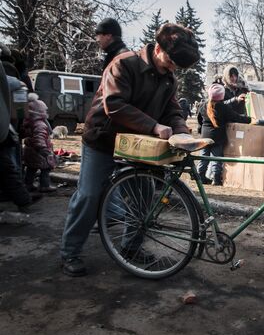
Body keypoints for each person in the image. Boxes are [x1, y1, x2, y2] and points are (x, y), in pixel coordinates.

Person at [60, 23, 200, 277]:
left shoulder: (169, 78)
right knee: (89, 195)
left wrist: (181, 131)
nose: (173, 68)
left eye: (177, 66)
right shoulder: (123, 64)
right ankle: (70, 251)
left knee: (144, 191)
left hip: (137, 143)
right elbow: (114, 104)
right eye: (171, 61)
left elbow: (172, 111)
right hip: (103, 140)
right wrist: (154, 126)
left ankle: (130, 248)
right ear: (157, 48)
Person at [0, 49, 42, 212]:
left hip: (7, 125)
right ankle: (22, 198)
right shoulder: (10, 75)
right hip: (6, 126)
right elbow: (17, 84)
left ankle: (22, 198)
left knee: (7, 164)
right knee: (8, 164)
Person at [197, 83, 252, 185]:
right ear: (221, 96)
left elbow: (200, 120)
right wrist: (250, 119)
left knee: (203, 157)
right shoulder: (223, 108)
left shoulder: (203, 105)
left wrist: (201, 129)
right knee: (216, 158)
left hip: (204, 136)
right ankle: (216, 179)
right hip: (217, 137)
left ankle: (200, 176)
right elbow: (236, 117)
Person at [21, 93, 57, 193]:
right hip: (39, 152)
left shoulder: (28, 121)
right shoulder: (40, 124)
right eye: (44, 110)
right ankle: (44, 185)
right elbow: (39, 138)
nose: (46, 111)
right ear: (40, 111)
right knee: (45, 169)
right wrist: (43, 149)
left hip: (30, 150)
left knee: (31, 169)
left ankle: (28, 185)